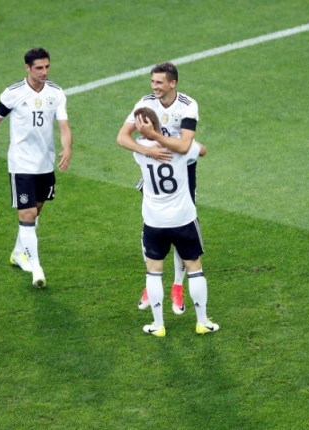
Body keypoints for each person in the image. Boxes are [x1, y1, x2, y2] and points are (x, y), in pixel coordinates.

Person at [0, 47, 73, 288]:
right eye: (39, 68)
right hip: (21, 163)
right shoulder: (13, 93)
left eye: (47, 67)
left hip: (45, 163)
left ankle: (18, 253)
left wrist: (67, 147)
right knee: (27, 215)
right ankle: (36, 268)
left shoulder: (56, 93)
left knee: (35, 212)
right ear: (27, 68)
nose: (44, 72)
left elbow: (64, 126)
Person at [116, 62, 199, 315]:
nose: (155, 87)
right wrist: (148, 150)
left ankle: (176, 286)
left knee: (181, 228)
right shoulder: (145, 102)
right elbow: (122, 137)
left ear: (173, 83)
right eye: (153, 82)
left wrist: (155, 137)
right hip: (153, 171)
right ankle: (150, 282)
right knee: (151, 227)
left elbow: (184, 146)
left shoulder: (188, 106)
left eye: (159, 83)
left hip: (183, 173)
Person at [132, 107, 218, 337]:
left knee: (153, 272)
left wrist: (149, 139)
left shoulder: (139, 152)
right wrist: (178, 141)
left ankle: (158, 325)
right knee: (195, 269)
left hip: (154, 221)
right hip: (183, 219)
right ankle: (202, 322)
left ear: (141, 127)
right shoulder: (182, 148)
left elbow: (128, 140)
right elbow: (203, 151)